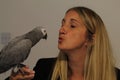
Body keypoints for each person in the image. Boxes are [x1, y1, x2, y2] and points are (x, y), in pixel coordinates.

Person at [6, 6, 120, 80]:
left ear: (90, 39)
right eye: (62, 24)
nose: (61, 30)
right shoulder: (44, 69)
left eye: (72, 26)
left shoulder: (115, 76)